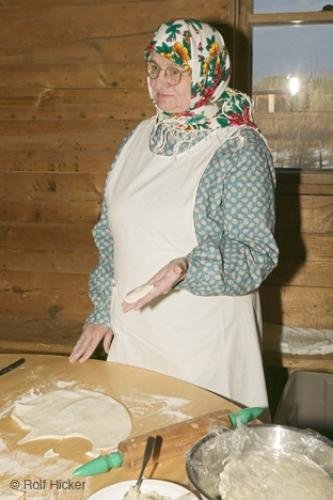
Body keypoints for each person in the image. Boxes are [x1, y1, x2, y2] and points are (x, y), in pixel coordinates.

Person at [69, 19, 278, 409]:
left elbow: (255, 253)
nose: (159, 82)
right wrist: (101, 311)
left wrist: (185, 267)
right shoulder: (138, 138)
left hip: (203, 348)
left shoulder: (238, 148)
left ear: (205, 73)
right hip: (136, 337)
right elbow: (110, 237)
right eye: (153, 68)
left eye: (174, 71)